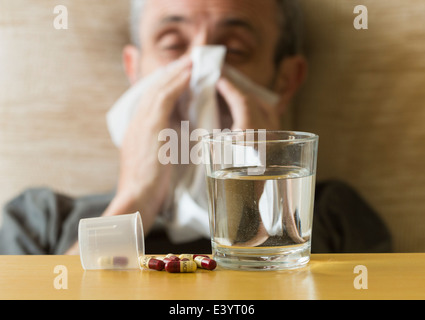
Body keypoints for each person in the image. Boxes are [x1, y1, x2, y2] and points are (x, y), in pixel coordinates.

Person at [0, 0, 392, 255]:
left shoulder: (332, 218)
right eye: (172, 43)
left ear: (285, 81)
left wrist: (258, 197)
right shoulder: (39, 223)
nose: (201, 69)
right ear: (134, 70)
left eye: (234, 51)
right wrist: (135, 200)